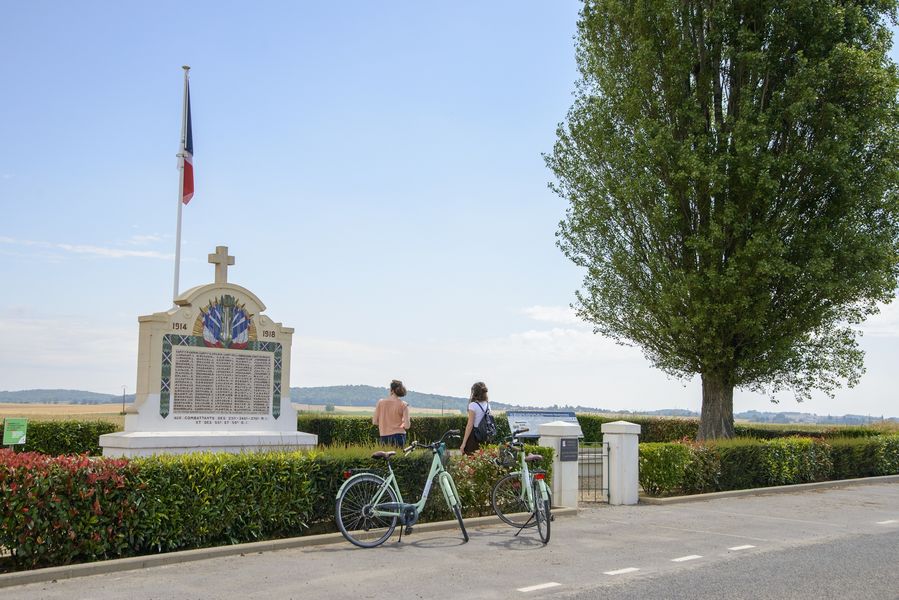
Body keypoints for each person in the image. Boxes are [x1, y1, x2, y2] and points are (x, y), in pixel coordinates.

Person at [372, 379, 411, 446]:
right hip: (399, 436)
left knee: (386, 456)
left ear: (391, 390)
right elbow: (407, 426)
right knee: (398, 456)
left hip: (384, 436)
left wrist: (385, 424)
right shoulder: (403, 404)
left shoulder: (380, 402)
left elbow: (374, 422)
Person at [461, 381, 489, 455]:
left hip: (474, 437)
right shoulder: (488, 405)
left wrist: (463, 443)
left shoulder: (473, 405)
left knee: (470, 460)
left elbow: (470, 425)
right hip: (485, 436)